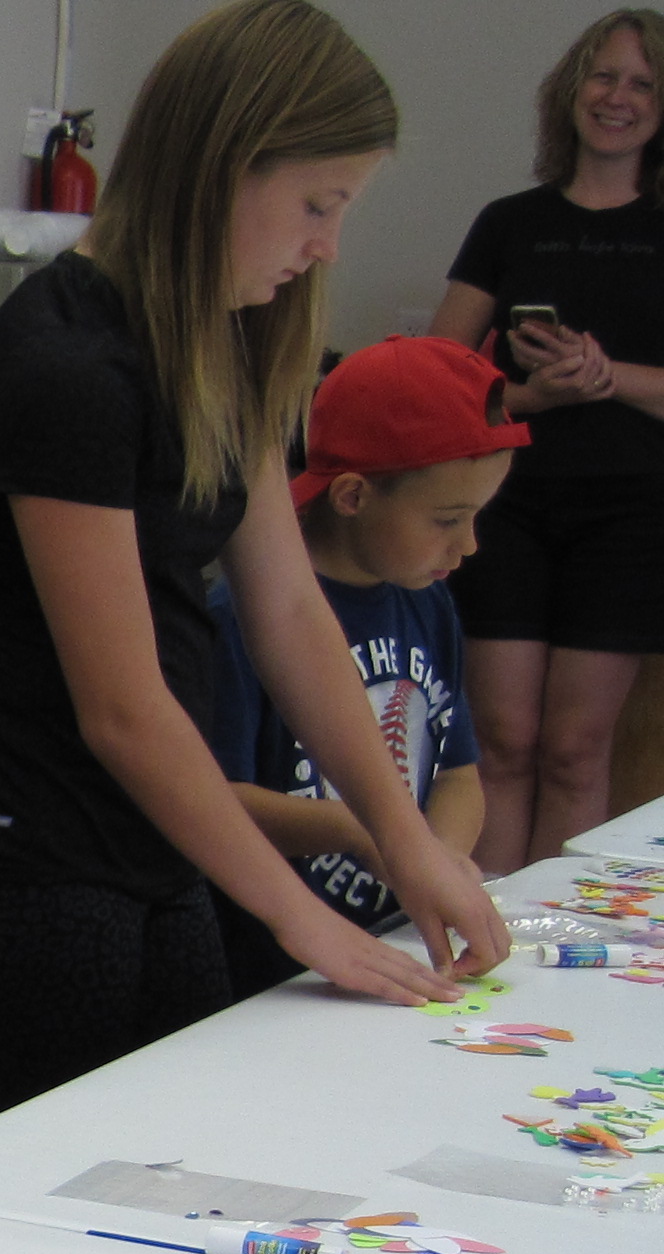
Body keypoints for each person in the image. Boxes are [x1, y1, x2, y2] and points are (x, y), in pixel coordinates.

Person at [0, 0, 505, 1134]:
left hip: (151, 834)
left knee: (192, 1145)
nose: (327, 246)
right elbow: (123, 708)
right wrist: (303, 919)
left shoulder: (216, 337)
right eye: (317, 205)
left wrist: (403, 838)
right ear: (225, 165)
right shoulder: (69, 371)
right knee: (64, 1173)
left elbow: (288, 610)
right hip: (26, 855)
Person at [205, 337, 525, 998]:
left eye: (476, 518)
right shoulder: (239, 619)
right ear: (352, 495)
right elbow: (213, 802)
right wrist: (363, 832)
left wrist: (438, 858)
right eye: (447, 519)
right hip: (266, 971)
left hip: (393, 942)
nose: (469, 545)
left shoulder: (428, 603)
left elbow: (458, 775)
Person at [429, 9, 664, 871]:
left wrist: (606, 375)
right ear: (571, 90)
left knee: (573, 749)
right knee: (503, 740)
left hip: (634, 518)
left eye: (643, 84)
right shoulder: (509, 223)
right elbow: (437, 378)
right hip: (504, 507)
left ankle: (554, 934)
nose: (618, 97)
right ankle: (485, 924)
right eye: (604, 76)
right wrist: (532, 394)